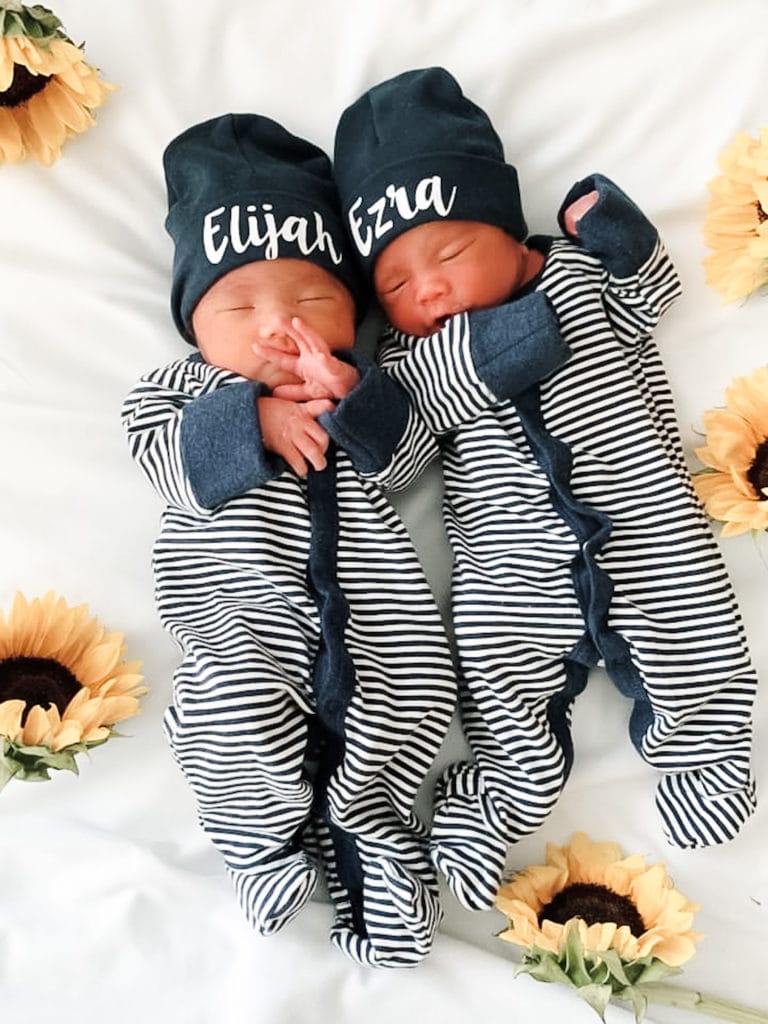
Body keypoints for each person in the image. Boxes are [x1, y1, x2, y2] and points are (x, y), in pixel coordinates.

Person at [323, 67, 759, 912]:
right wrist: (358, 410)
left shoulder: (571, 282)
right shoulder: (406, 363)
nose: (430, 290)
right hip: (509, 576)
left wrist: (614, 228)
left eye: (447, 255)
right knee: (500, 698)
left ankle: (706, 751)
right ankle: (489, 805)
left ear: (512, 235)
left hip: (648, 532)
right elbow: (402, 459)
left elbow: (648, 293)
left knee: (695, 642)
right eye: (396, 288)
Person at [121, 112, 460, 967]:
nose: (277, 325)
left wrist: (353, 400)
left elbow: (408, 463)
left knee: (405, 723)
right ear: (193, 326)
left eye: (313, 299)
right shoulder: (179, 390)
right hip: (241, 634)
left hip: (381, 631)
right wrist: (252, 418)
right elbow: (163, 461)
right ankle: (259, 848)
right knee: (235, 736)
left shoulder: (366, 384)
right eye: (237, 304)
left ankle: (376, 863)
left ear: (353, 312)